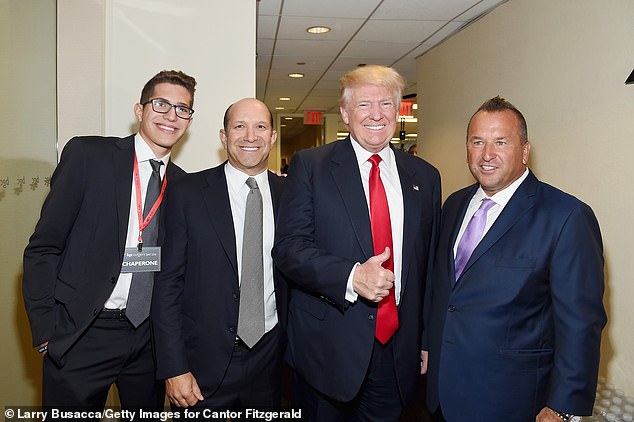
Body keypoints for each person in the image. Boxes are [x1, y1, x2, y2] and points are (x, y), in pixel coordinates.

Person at [272, 65, 441, 421]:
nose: (376, 115)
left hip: (397, 353)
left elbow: (428, 267)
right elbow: (289, 249)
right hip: (328, 350)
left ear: (398, 111)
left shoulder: (425, 177)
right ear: (346, 113)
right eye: (364, 105)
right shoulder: (312, 167)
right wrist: (351, 277)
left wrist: (425, 339)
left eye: (386, 104)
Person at [423, 96, 606, 421]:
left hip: (513, 402)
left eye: (500, 142)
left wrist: (564, 408)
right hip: (443, 394)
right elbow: (443, 290)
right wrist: (428, 342)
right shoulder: (453, 206)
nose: (487, 154)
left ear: (525, 150)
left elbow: (581, 324)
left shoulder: (566, 217)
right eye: (477, 141)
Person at [22, 70, 196, 414]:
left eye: (182, 109)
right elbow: (43, 248)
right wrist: (46, 332)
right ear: (140, 110)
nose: (170, 116)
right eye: (160, 104)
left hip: (148, 341)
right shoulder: (89, 156)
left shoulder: (184, 186)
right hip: (82, 333)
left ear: (189, 121)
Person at [151, 98, 287, 417]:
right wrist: (174, 368)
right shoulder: (187, 192)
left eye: (260, 127)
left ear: (272, 137)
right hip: (201, 368)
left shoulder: (292, 194)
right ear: (224, 137)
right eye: (239, 126)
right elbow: (167, 284)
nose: (250, 136)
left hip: (271, 362)